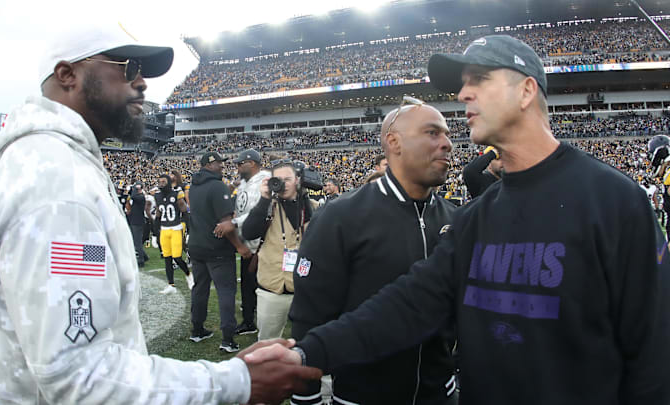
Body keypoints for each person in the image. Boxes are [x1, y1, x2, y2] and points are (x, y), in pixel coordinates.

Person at [246, 35, 670, 405]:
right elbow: (406, 305)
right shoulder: (478, 218)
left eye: (479, 80)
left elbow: (654, 351)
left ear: (525, 92)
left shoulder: (614, 201)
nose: (464, 94)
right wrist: (303, 355)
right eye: (463, 84)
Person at [0, 24, 320, 404]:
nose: (143, 83)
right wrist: (236, 381)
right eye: (129, 67)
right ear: (67, 75)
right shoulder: (56, 184)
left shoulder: (56, 165)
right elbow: (78, 377)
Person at [289, 98, 458, 405]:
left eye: (447, 134)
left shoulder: (456, 219)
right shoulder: (341, 216)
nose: (447, 143)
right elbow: (309, 314)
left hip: (440, 394)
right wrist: (305, 397)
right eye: (433, 133)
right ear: (394, 142)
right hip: (362, 396)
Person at [242, 160, 318, 341]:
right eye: (278, 179)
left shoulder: (312, 206)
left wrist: (304, 196)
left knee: (308, 341)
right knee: (268, 342)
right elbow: (248, 232)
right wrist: (264, 198)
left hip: (304, 289)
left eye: (288, 179)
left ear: (298, 180)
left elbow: (318, 238)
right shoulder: (268, 207)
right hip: (272, 288)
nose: (283, 184)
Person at [186, 151, 251, 352]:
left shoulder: (194, 186)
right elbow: (225, 224)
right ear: (209, 165)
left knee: (200, 288)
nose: (222, 166)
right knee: (225, 291)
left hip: (196, 246)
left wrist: (229, 187)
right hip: (216, 248)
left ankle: (197, 330)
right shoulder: (217, 186)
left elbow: (209, 201)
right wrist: (240, 247)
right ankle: (228, 339)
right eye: (219, 163)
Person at [214, 148, 271, 336]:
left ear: (252, 163)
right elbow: (240, 208)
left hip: (263, 243)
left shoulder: (264, 180)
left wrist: (233, 223)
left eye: (241, 163)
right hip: (248, 242)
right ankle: (248, 321)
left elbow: (257, 213)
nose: (237, 166)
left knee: (263, 287)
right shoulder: (245, 183)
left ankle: (262, 321)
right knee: (247, 286)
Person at [152, 174, 192, 293]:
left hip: (175, 228)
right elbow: (158, 214)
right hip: (164, 230)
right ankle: (171, 285)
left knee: (177, 258)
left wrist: (189, 231)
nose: (161, 184)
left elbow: (185, 211)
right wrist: (155, 234)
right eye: (159, 182)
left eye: (163, 181)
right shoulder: (157, 195)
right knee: (167, 259)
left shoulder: (177, 194)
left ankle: (189, 275)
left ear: (169, 182)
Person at [125, 182, 150, 267]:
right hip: (134, 220)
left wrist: (134, 190)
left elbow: (133, 197)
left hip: (138, 221)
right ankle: (145, 257)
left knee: (137, 242)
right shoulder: (137, 196)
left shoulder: (141, 197)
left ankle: (141, 260)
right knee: (135, 241)